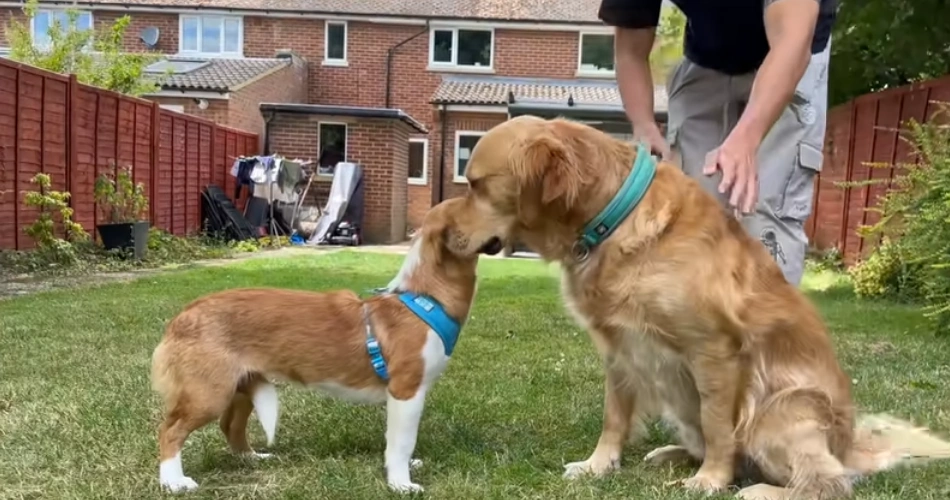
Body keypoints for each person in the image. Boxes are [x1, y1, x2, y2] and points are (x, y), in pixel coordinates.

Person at [599, 0, 837, 286]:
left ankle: (767, 326)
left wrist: (747, 137)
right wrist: (643, 124)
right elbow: (630, 50)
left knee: (766, 211)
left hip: (794, 51)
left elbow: (792, 41)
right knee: (691, 212)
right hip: (707, 59)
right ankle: (699, 323)